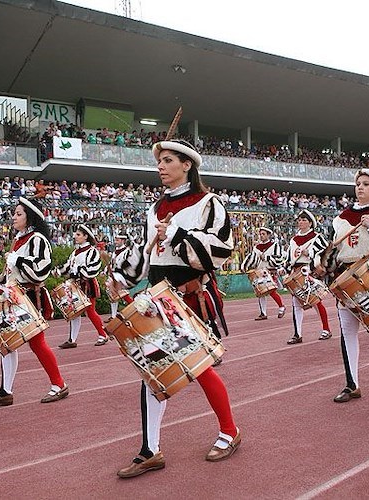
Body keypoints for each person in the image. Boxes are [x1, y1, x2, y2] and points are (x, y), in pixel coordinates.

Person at [114, 139, 240, 478]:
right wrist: (122, 276)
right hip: (157, 301)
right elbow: (146, 251)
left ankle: (229, 430)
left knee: (199, 370)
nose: (160, 166)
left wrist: (178, 233)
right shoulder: (154, 207)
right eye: (159, 161)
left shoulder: (208, 203)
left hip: (188, 299)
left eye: (168, 160)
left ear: (187, 165)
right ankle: (150, 449)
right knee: (152, 373)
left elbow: (221, 249)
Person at [0, 197, 69, 406]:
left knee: (37, 344)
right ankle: (5, 391)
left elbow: (41, 270)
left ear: (29, 218)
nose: (13, 217)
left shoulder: (37, 239)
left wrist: (18, 260)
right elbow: (8, 274)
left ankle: (59, 384)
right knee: (7, 343)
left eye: (18, 214)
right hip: (13, 297)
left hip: (28, 297)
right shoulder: (18, 240)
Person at [322, 169, 369, 402]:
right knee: (347, 332)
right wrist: (327, 259)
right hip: (346, 279)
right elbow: (333, 255)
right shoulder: (341, 218)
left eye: (366, 184)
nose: (360, 187)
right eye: (358, 184)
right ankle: (352, 383)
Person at [283, 210, 332, 344]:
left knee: (315, 300)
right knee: (296, 304)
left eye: (304, 220)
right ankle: (297, 333)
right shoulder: (293, 239)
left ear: (310, 223)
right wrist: (286, 269)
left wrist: (310, 252)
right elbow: (289, 257)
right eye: (299, 220)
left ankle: (326, 329)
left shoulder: (317, 237)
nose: (300, 222)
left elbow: (325, 251)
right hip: (295, 272)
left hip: (309, 271)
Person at [57, 224, 109, 348]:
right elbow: (68, 266)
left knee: (90, 311)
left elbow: (94, 268)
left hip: (88, 284)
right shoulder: (75, 252)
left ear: (86, 237)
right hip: (76, 285)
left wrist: (79, 270)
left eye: (79, 235)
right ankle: (72, 339)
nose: (75, 236)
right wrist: (59, 271)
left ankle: (103, 334)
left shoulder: (92, 251)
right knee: (74, 312)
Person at [241, 227, 286, 320]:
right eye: (260, 234)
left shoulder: (275, 245)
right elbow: (251, 258)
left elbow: (279, 258)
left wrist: (266, 257)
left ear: (268, 235)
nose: (261, 236)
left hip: (270, 271)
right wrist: (244, 266)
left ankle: (281, 306)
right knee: (260, 292)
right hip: (259, 271)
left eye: (263, 234)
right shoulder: (257, 247)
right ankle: (263, 313)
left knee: (271, 290)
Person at [104, 233, 133, 322]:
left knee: (124, 295)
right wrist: (105, 270)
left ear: (123, 241)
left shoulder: (127, 251)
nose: (115, 242)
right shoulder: (115, 251)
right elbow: (111, 263)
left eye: (118, 240)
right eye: (115, 240)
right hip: (113, 275)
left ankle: (135, 310)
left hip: (121, 276)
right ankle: (113, 316)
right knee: (113, 295)